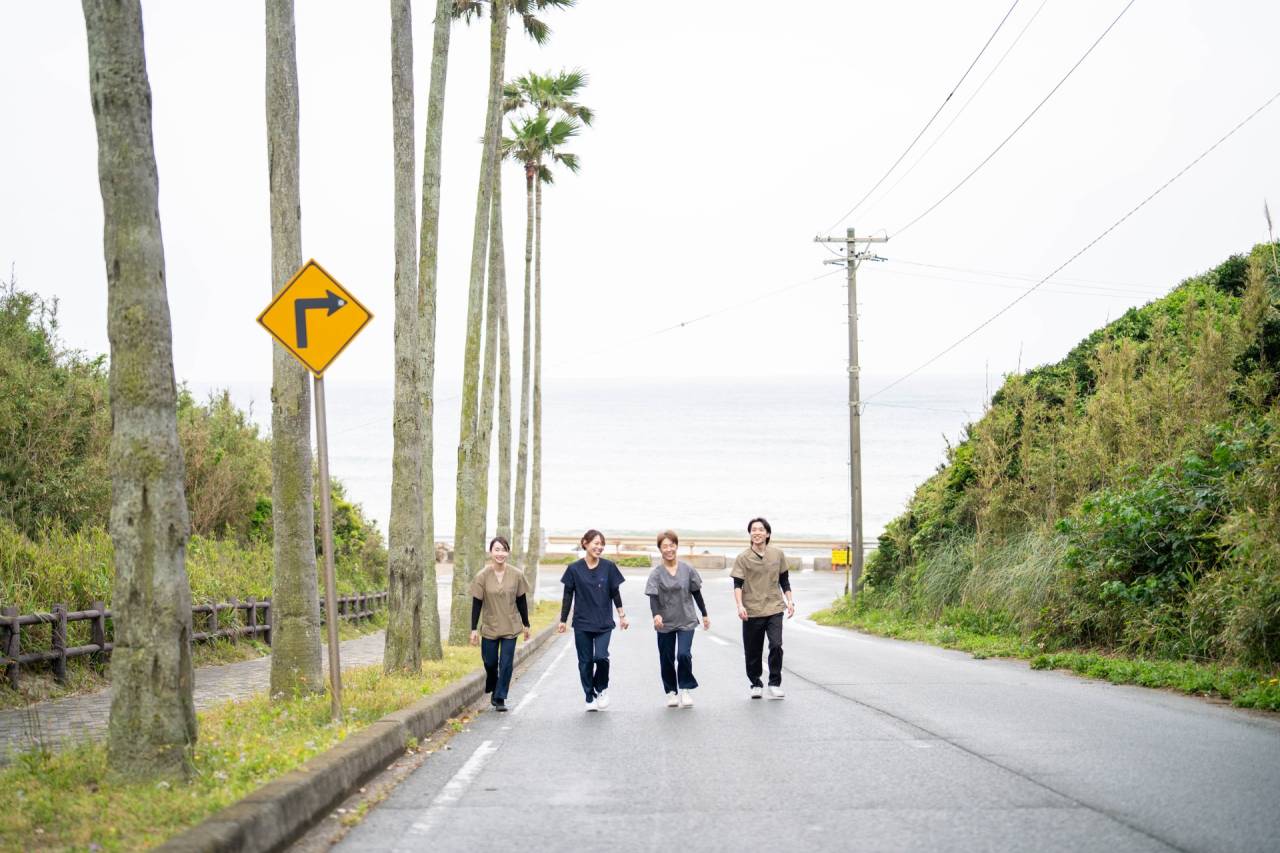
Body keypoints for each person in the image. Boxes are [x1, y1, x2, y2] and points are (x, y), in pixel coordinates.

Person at [557, 529, 629, 711]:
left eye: (602, 544)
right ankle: (589, 696)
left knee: (601, 657)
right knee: (585, 662)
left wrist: (622, 615)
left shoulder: (609, 567)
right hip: (582, 622)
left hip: (604, 622)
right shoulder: (573, 569)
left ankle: (601, 688)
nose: (600, 547)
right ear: (585, 543)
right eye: (596, 543)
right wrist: (563, 620)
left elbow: (615, 592)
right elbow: (567, 596)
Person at [645, 530, 710, 709]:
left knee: (683, 654)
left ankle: (686, 689)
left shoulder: (687, 569)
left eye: (671, 545)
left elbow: (696, 592)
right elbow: (653, 597)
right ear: (660, 549)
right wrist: (656, 615)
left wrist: (704, 614)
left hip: (686, 619)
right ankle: (671, 692)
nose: (669, 549)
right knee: (666, 658)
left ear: (676, 546)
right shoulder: (656, 573)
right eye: (665, 546)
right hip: (665, 622)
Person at [732, 517, 794, 699]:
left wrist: (790, 601)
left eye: (760, 529)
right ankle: (755, 683)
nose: (757, 532)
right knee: (753, 650)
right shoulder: (743, 558)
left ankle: (774, 683)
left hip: (774, 606)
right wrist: (740, 605)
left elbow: (785, 581)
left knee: (776, 645)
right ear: (750, 534)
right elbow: (737, 584)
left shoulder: (777, 554)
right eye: (753, 530)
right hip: (751, 609)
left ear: (767, 534)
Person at [469, 536, 531, 712]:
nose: (500, 553)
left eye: (504, 550)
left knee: (506, 663)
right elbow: (476, 603)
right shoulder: (482, 576)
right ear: (491, 552)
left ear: (508, 552)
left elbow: (521, 601)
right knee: (490, 662)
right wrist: (473, 629)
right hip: (490, 626)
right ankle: (492, 681)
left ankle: (500, 696)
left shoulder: (517, 574)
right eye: (497, 549)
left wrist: (526, 624)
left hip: (511, 626)